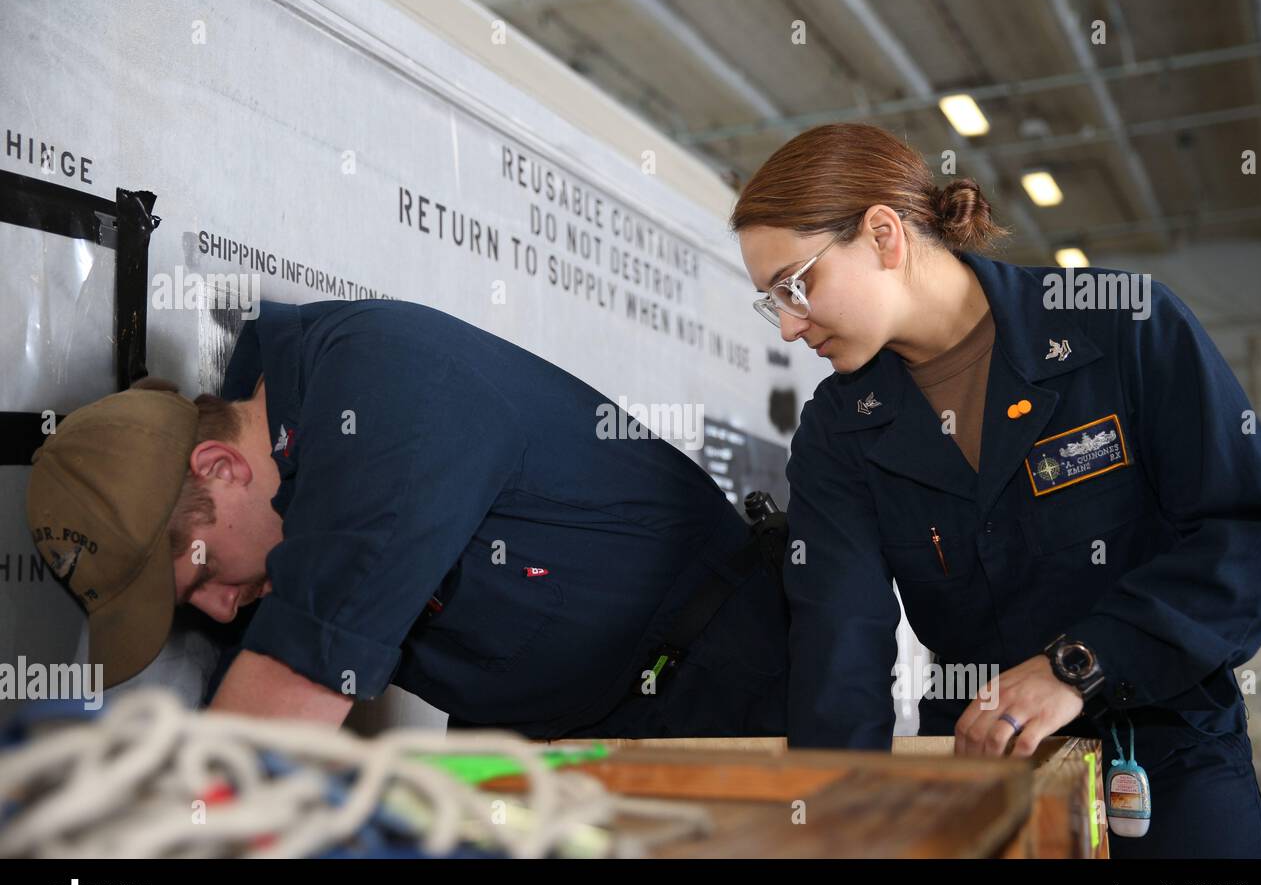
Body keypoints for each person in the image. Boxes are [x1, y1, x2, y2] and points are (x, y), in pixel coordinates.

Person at [733, 122, 1261, 857]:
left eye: (796, 284)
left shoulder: (1125, 326)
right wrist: (840, 820)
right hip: (981, 770)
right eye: (769, 299)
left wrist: (1081, 662)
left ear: (883, 235)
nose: (786, 324)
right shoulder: (839, 431)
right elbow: (839, 642)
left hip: (1168, 758)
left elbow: (1247, 545)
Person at [25, 298, 788, 739]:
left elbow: (266, 740)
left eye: (201, 575)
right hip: (573, 739)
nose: (222, 608)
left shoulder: (379, 397)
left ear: (219, 468)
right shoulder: (282, 487)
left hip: (732, 692)